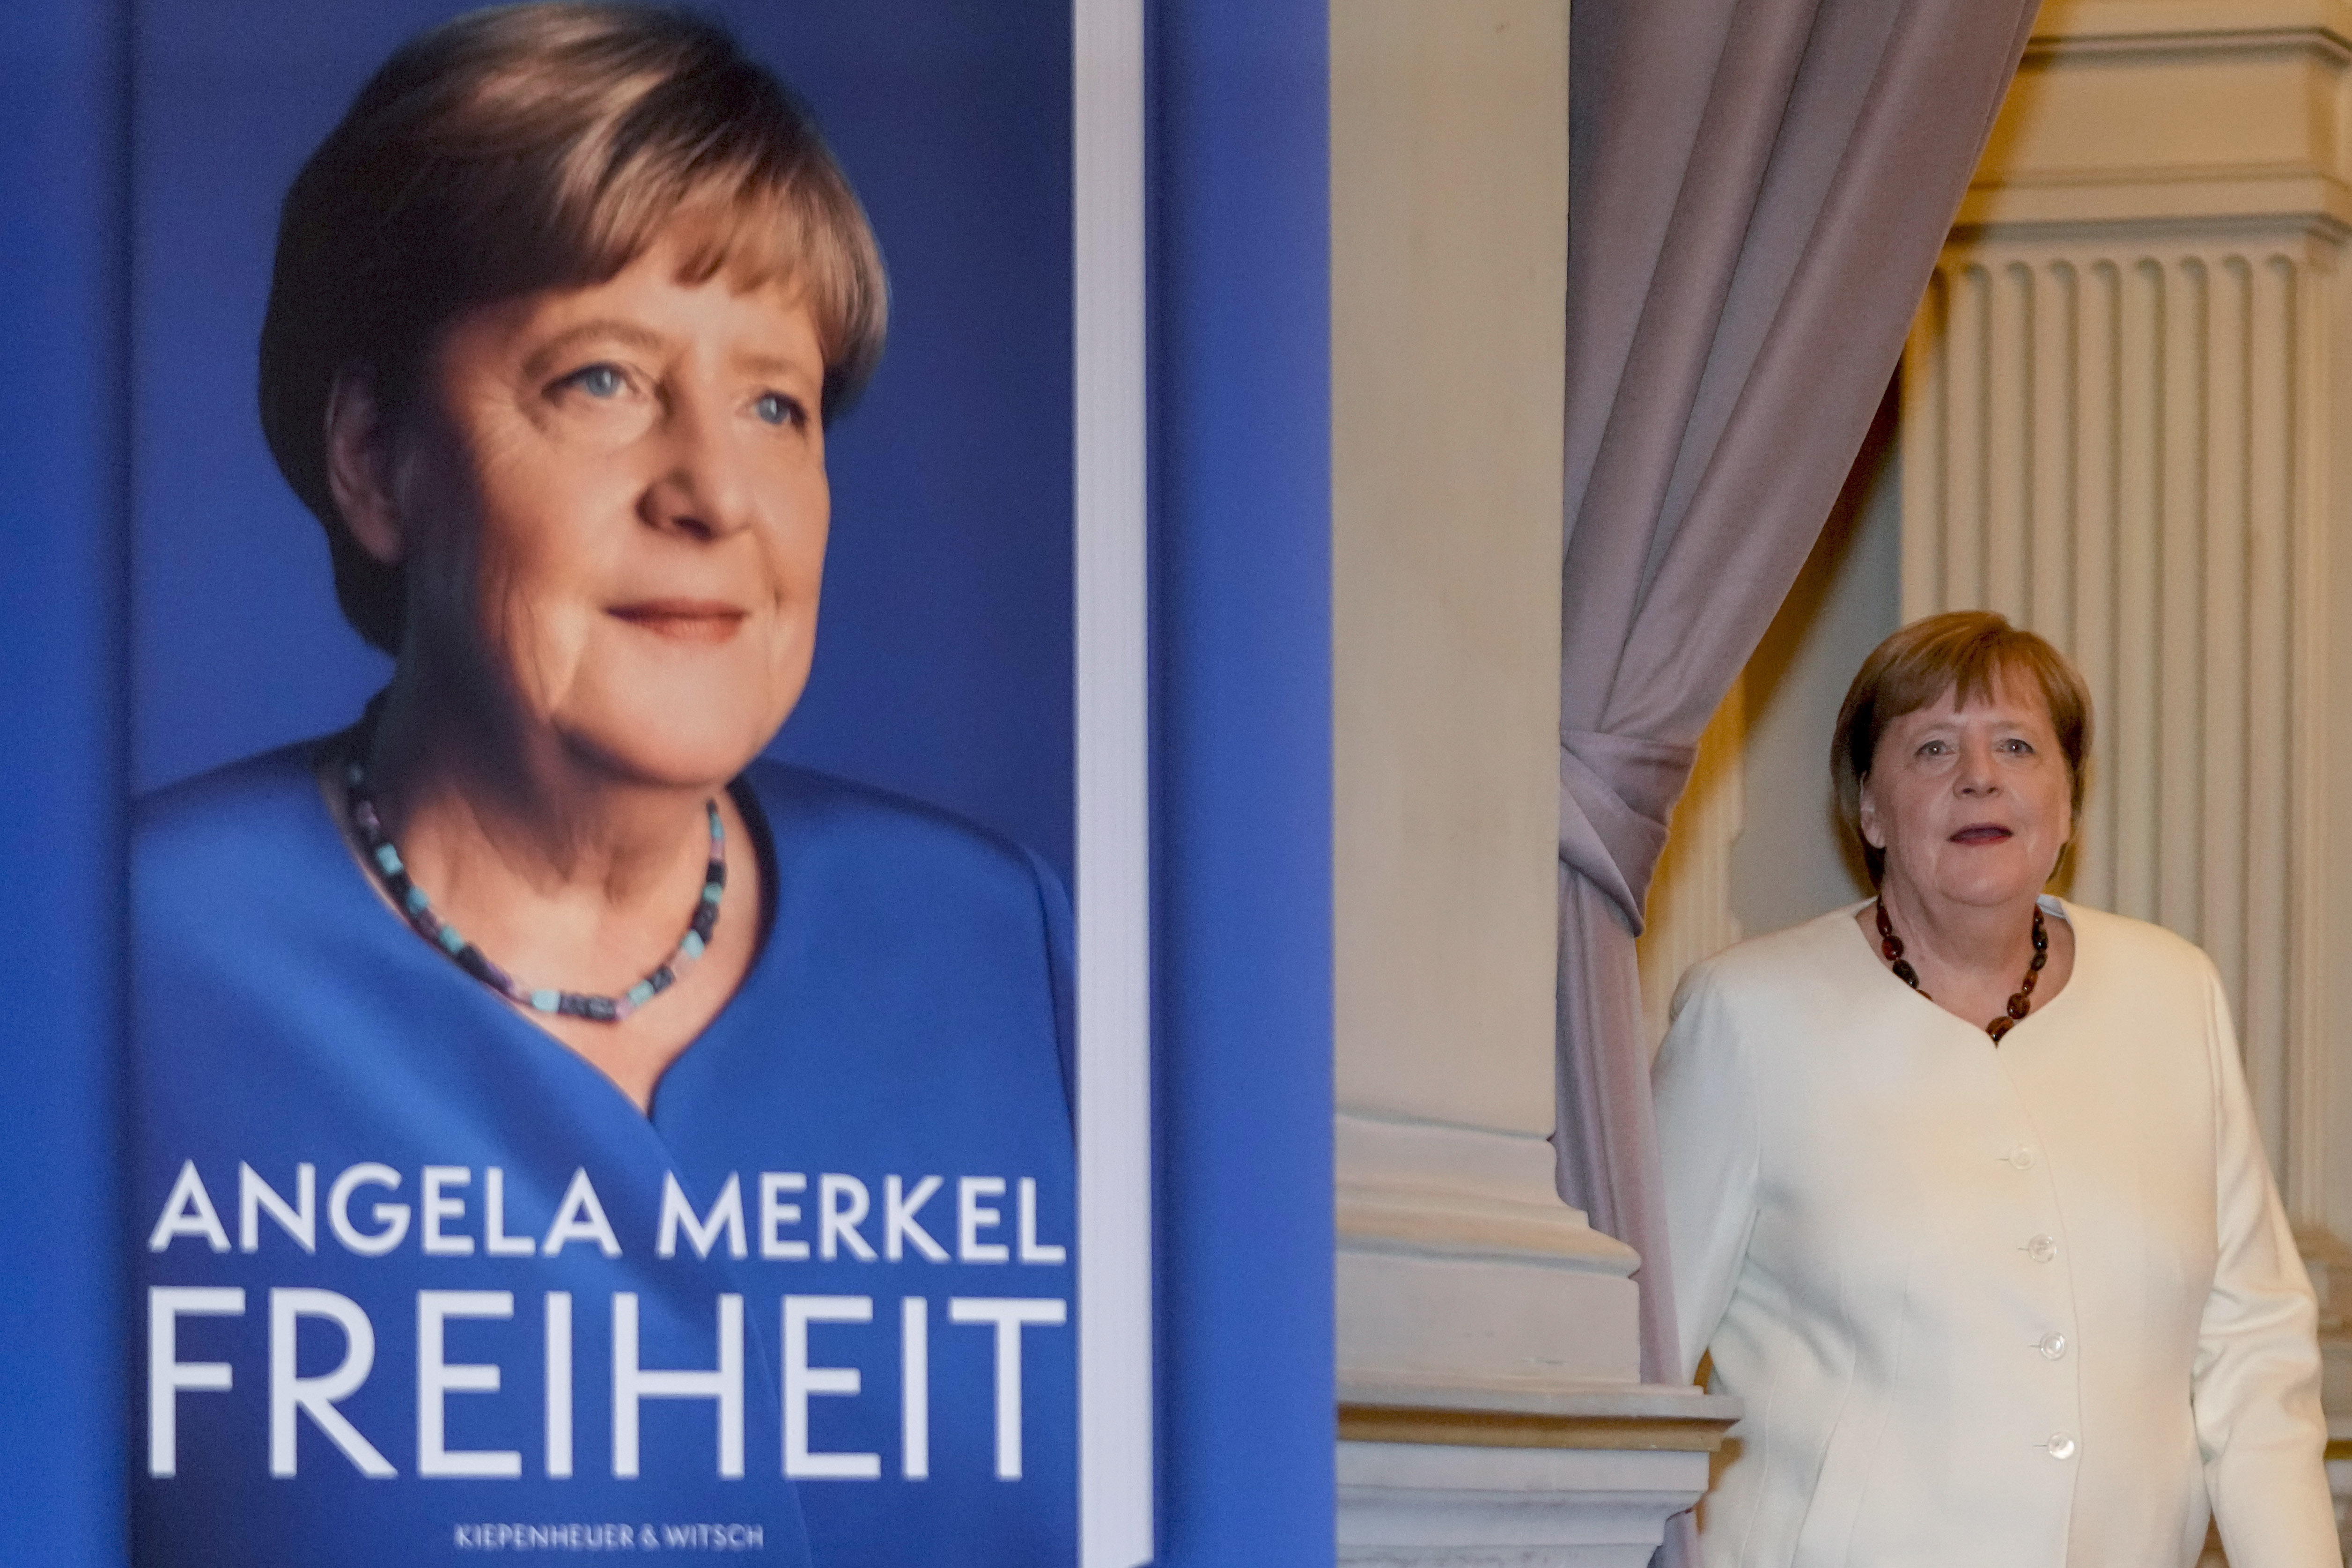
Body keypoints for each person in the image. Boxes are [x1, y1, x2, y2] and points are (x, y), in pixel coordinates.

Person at [132, 8, 1074, 1565]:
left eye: (777, 402)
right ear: (375, 457)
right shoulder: (104, 970)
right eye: (601, 381)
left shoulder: (1005, 943)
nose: (711, 489)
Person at [1653, 611, 2334, 1567]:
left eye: (2016, 744)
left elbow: (2252, 1354)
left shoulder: (2173, 993)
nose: (1979, 774)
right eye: (1932, 747)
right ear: (1870, 809)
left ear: (2065, 806)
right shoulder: (1746, 1015)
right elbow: (1645, 1364)